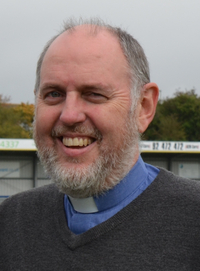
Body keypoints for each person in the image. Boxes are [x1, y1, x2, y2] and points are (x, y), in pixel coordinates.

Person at [1, 18, 200, 270]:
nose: (70, 115)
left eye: (94, 94)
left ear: (143, 107)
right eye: (53, 94)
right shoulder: (11, 221)